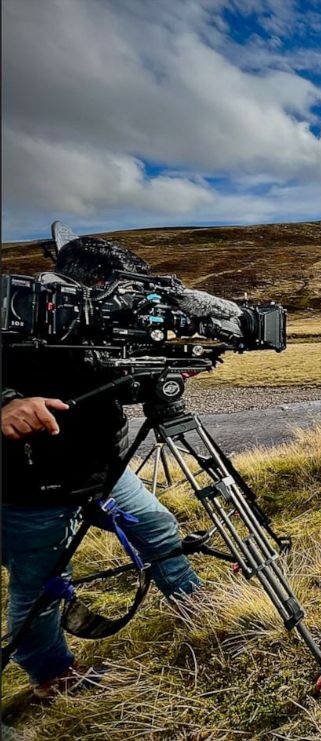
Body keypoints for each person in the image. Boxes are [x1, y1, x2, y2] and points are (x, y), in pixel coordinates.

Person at [1, 236, 201, 700]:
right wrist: (6, 404)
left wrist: (155, 374)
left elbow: (111, 382)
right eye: (123, 290)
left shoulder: (105, 321)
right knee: (41, 588)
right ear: (91, 283)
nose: (131, 302)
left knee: (157, 525)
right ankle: (52, 677)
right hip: (30, 486)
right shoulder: (15, 310)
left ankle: (194, 604)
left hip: (105, 467)